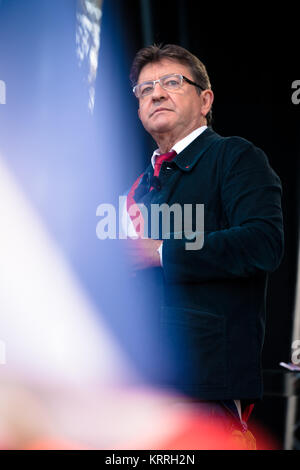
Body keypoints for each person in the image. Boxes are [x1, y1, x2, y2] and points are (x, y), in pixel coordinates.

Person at [123, 44, 284, 447]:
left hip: (204, 394)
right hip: (140, 393)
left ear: (205, 99)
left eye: (171, 82)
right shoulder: (141, 186)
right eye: (144, 89)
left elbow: (264, 242)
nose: (156, 93)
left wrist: (161, 252)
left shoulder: (236, 157)